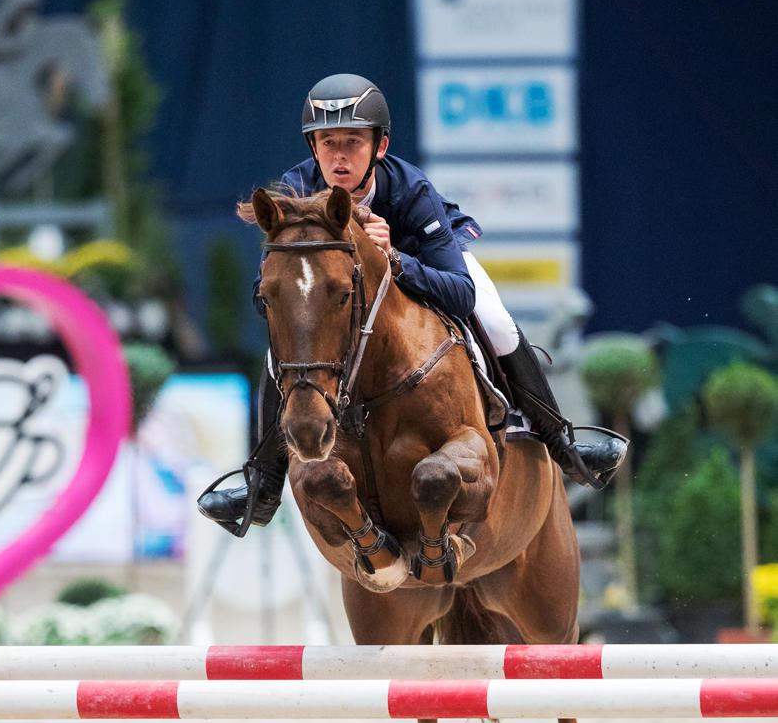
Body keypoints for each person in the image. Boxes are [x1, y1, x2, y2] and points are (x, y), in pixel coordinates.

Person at [198, 74, 627, 530]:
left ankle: (562, 443)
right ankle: (263, 485)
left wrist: (396, 259)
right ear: (313, 146)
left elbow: (459, 295)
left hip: (423, 261)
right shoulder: (297, 189)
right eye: (327, 142)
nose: (339, 156)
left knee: (495, 319)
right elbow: (270, 293)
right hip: (345, 295)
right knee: (281, 354)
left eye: (352, 142)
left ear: (379, 147)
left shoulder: (410, 189)